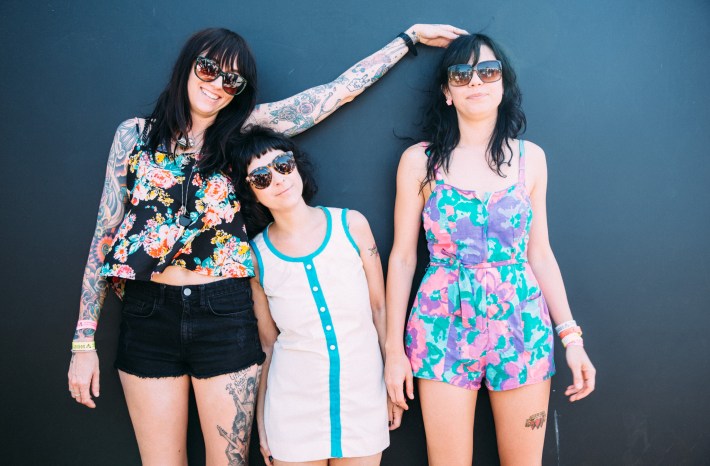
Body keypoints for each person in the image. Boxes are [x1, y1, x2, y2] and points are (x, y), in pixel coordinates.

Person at [66, 24, 466, 466]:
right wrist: (83, 342)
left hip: (222, 311)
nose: (217, 85)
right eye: (208, 69)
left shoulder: (240, 133)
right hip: (148, 314)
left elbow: (333, 94)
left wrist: (407, 41)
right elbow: (104, 236)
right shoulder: (134, 136)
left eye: (232, 80)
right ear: (187, 66)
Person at [384, 33, 596, 465]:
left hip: (522, 329)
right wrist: (392, 351)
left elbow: (540, 254)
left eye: (488, 71)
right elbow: (403, 257)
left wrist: (571, 338)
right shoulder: (420, 162)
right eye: (461, 75)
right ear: (447, 92)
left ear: (503, 83)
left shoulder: (530, 159)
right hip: (441, 329)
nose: (476, 82)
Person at [231, 127, 399, 466]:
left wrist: (391, 379)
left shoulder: (352, 226)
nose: (278, 179)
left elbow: (380, 309)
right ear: (251, 193)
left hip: (363, 399)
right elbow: (267, 344)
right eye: (261, 177)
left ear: (296, 165)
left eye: (282, 164)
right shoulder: (256, 258)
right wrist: (261, 421)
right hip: (291, 411)